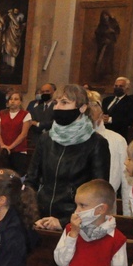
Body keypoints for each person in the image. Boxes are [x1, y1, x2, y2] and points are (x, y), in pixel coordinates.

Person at [26, 84, 110, 230]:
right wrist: (34, 217)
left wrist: (65, 221)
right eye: (56, 102)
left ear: (82, 108)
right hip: (41, 217)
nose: (57, 107)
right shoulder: (46, 139)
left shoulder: (96, 143)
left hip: (75, 221)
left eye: (64, 102)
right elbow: (31, 180)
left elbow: (98, 193)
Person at [87, 91, 129, 214]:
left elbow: (127, 181)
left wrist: (128, 216)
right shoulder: (71, 138)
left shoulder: (117, 140)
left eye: (95, 106)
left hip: (106, 204)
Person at [0, 92, 31, 176]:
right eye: (11, 99)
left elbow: (23, 134)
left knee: (17, 175)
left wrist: (10, 147)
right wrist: (3, 146)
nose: (12, 101)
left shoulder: (25, 114)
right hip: (4, 151)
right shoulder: (1, 114)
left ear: (20, 102)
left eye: (16, 99)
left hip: (19, 151)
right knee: (3, 175)